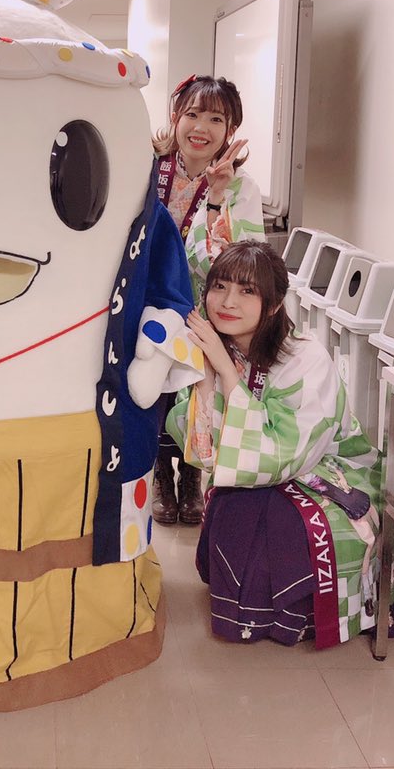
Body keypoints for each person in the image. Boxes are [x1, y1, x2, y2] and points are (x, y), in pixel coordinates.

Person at [168, 240, 394, 647]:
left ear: (274, 305)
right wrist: (206, 378)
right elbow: (205, 452)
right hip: (262, 468)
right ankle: (247, 609)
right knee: (232, 504)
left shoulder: (306, 358)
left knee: (275, 521)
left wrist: (225, 372)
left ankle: (292, 616)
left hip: (328, 470)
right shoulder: (219, 349)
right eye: (219, 286)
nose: (228, 301)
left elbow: (285, 454)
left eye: (247, 291)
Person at [151, 74, 265, 525]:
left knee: (197, 391)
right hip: (150, 301)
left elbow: (241, 262)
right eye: (193, 114)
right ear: (175, 117)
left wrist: (217, 197)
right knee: (153, 391)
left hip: (205, 309)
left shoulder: (242, 188)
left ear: (230, 130)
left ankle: (191, 477)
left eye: (216, 119)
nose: (201, 127)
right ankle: (161, 473)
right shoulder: (149, 168)